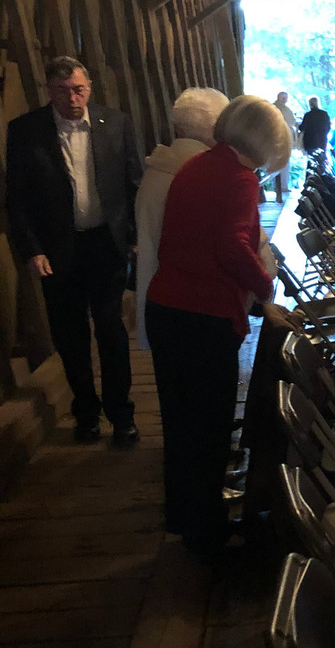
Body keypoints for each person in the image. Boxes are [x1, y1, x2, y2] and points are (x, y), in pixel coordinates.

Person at [145, 96, 290, 555]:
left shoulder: (199, 163)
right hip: (199, 318)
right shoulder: (240, 178)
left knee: (183, 427)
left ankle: (191, 522)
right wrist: (266, 290)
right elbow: (231, 246)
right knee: (207, 428)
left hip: (170, 310)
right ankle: (206, 536)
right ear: (265, 140)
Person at [5, 56, 143, 445]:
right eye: (64, 91)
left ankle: (122, 415)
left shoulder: (116, 123)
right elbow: (17, 199)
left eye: (79, 89)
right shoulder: (26, 130)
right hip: (57, 248)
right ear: (50, 91)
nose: (73, 97)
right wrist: (32, 250)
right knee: (70, 335)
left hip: (105, 243)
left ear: (90, 87)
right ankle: (87, 412)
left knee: (111, 330)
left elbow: (135, 182)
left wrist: (133, 236)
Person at [134, 87, 229, 352]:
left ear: (177, 128)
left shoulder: (155, 172)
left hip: (160, 302)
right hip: (205, 305)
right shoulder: (210, 175)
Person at [298, 95, 331, 171]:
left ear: (309, 104)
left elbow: (302, 128)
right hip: (322, 141)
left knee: (311, 160)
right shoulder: (324, 114)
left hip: (310, 141)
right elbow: (328, 127)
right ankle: (322, 176)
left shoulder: (308, 115)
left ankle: (312, 178)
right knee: (321, 160)